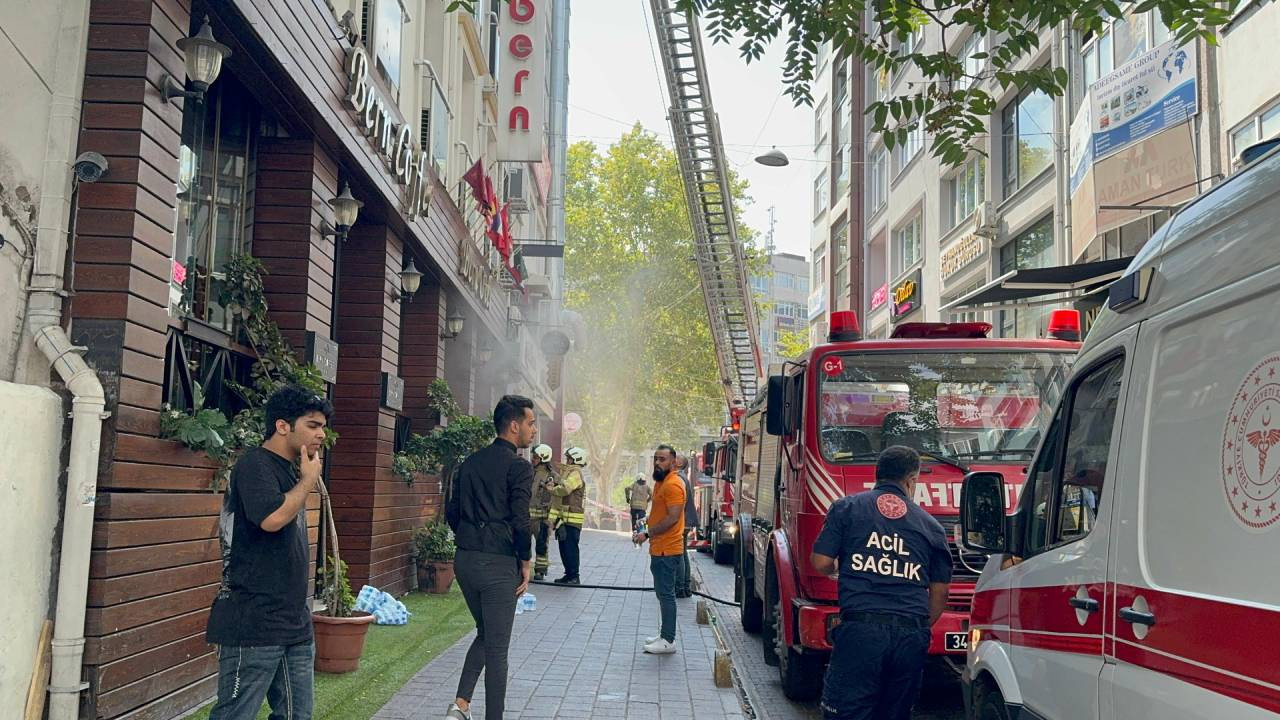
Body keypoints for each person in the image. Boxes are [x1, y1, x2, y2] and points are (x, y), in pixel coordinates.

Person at [206, 385, 333, 720]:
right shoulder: (254, 466)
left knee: (296, 714)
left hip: (293, 621)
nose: (321, 434)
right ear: (282, 426)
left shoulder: (292, 470)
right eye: (312, 425)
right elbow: (271, 519)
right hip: (253, 620)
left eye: (322, 426)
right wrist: (307, 482)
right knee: (236, 714)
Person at [810, 446, 952, 720]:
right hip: (910, 635)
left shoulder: (847, 508)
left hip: (861, 630)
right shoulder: (931, 526)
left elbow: (820, 561)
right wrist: (918, 625)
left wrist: (843, 567)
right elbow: (940, 591)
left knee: (846, 712)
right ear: (911, 480)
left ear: (877, 474)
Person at [444, 395, 538, 720]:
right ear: (514, 426)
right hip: (498, 565)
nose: (534, 430)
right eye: (530, 423)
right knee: (498, 649)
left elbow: (451, 513)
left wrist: (471, 535)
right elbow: (521, 519)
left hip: (465, 560)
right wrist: (525, 562)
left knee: (486, 633)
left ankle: (460, 706)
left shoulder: (468, 463)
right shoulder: (519, 467)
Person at [632, 444, 686, 655]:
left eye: (662, 459)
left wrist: (647, 533)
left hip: (667, 549)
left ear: (674, 462)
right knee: (663, 594)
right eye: (656, 458)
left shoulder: (673, 485)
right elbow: (662, 512)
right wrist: (647, 520)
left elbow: (673, 518)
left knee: (666, 594)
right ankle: (664, 634)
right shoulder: (661, 483)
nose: (657, 462)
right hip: (660, 548)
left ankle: (668, 640)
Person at [548, 446, 587, 584]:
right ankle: (568, 574)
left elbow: (565, 488)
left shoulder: (576, 473)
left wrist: (552, 489)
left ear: (575, 458)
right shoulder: (570, 473)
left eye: (569, 458)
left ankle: (574, 576)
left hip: (572, 519)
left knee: (570, 548)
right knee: (564, 548)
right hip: (565, 519)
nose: (567, 460)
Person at [529, 444, 557, 581]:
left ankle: (540, 571)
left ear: (543, 458)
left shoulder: (551, 476)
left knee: (541, 546)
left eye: (535, 457)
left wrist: (552, 520)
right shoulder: (529, 471)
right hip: (525, 517)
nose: (532, 459)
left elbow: (558, 495)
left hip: (542, 519)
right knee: (522, 544)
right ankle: (521, 569)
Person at [674, 453, 700, 599]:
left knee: (679, 553)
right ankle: (684, 586)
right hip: (685, 521)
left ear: (679, 464)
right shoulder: (683, 477)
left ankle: (680, 587)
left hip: (680, 522)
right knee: (683, 553)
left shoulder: (678, 478)